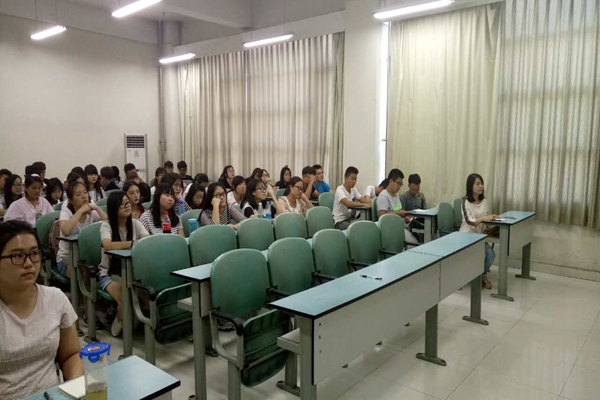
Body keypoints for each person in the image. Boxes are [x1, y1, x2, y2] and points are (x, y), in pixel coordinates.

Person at [0, 221, 83, 399]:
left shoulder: (55, 299)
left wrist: (74, 389)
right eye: (17, 256)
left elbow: (71, 355)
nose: (28, 263)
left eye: (34, 253)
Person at [100, 191, 150, 336]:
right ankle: (119, 321)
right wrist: (132, 243)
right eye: (122, 204)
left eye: (127, 202)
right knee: (125, 295)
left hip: (132, 273)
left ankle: (144, 324)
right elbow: (107, 245)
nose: (127, 206)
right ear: (113, 208)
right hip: (109, 275)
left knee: (147, 294)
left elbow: (147, 241)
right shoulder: (106, 226)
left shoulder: (135, 223)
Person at [57, 182, 108, 278]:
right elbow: (66, 231)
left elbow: (108, 223)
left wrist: (97, 208)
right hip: (66, 259)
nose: (84, 196)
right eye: (78, 194)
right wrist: (81, 211)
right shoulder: (66, 212)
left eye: (85, 192)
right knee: (84, 275)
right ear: (70, 200)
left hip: (86, 259)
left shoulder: (91, 212)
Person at [460, 174, 498, 289]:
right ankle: (478, 277)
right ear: (470, 186)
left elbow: (485, 217)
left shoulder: (484, 201)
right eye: (477, 184)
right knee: (481, 255)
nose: (481, 186)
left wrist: (492, 218)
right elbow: (469, 221)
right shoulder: (465, 201)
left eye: (482, 184)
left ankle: (481, 275)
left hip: (479, 237)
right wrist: (483, 219)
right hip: (466, 237)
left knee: (490, 255)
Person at [377, 169, 419, 245]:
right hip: (390, 228)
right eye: (398, 183)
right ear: (391, 181)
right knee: (413, 244)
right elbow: (382, 216)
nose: (399, 187)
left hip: (400, 225)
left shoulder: (396, 195)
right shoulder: (383, 196)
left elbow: (397, 210)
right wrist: (399, 213)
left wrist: (405, 216)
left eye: (401, 184)